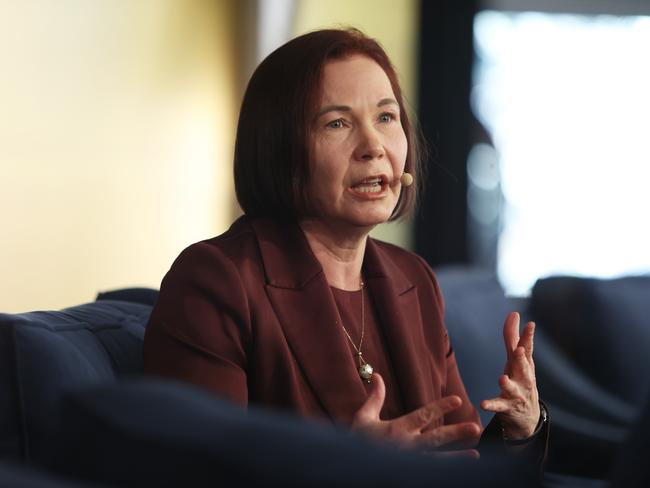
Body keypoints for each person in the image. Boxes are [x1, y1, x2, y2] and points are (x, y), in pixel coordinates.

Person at [143, 28, 547, 463]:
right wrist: (347, 465)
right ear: (281, 150)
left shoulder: (413, 280)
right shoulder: (216, 280)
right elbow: (199, 467)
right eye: (337, 123)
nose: (373, 147)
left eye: (386, 118)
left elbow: (457, 457)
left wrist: (518, 428)